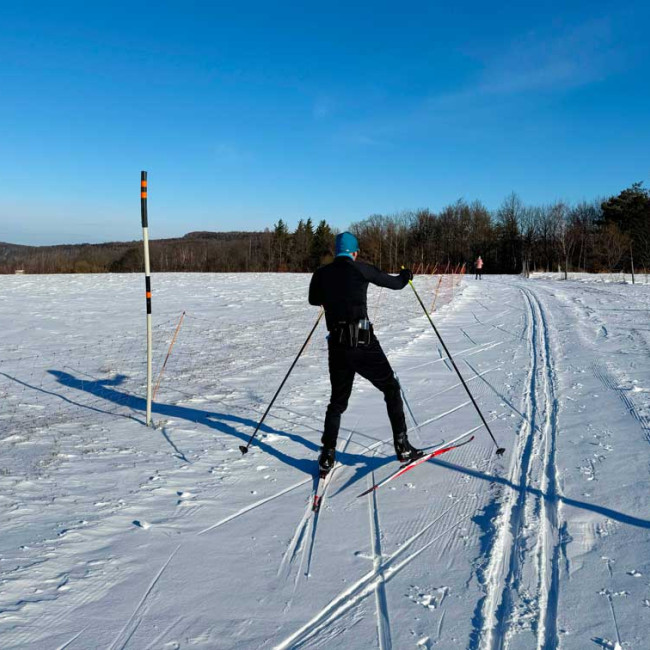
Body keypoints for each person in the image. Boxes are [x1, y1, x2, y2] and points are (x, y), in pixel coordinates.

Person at [308, 232, 423, 472]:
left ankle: (327, 454)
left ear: (336, 251)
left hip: (337, 345)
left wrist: (331, 298)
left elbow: (313, 299)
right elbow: (396, 283)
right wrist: (406, 275)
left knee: (337, 402)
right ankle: (402, 446)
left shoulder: (321, 273)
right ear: (354, 252)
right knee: (390, 387)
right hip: (363, 341)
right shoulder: (362, 269)